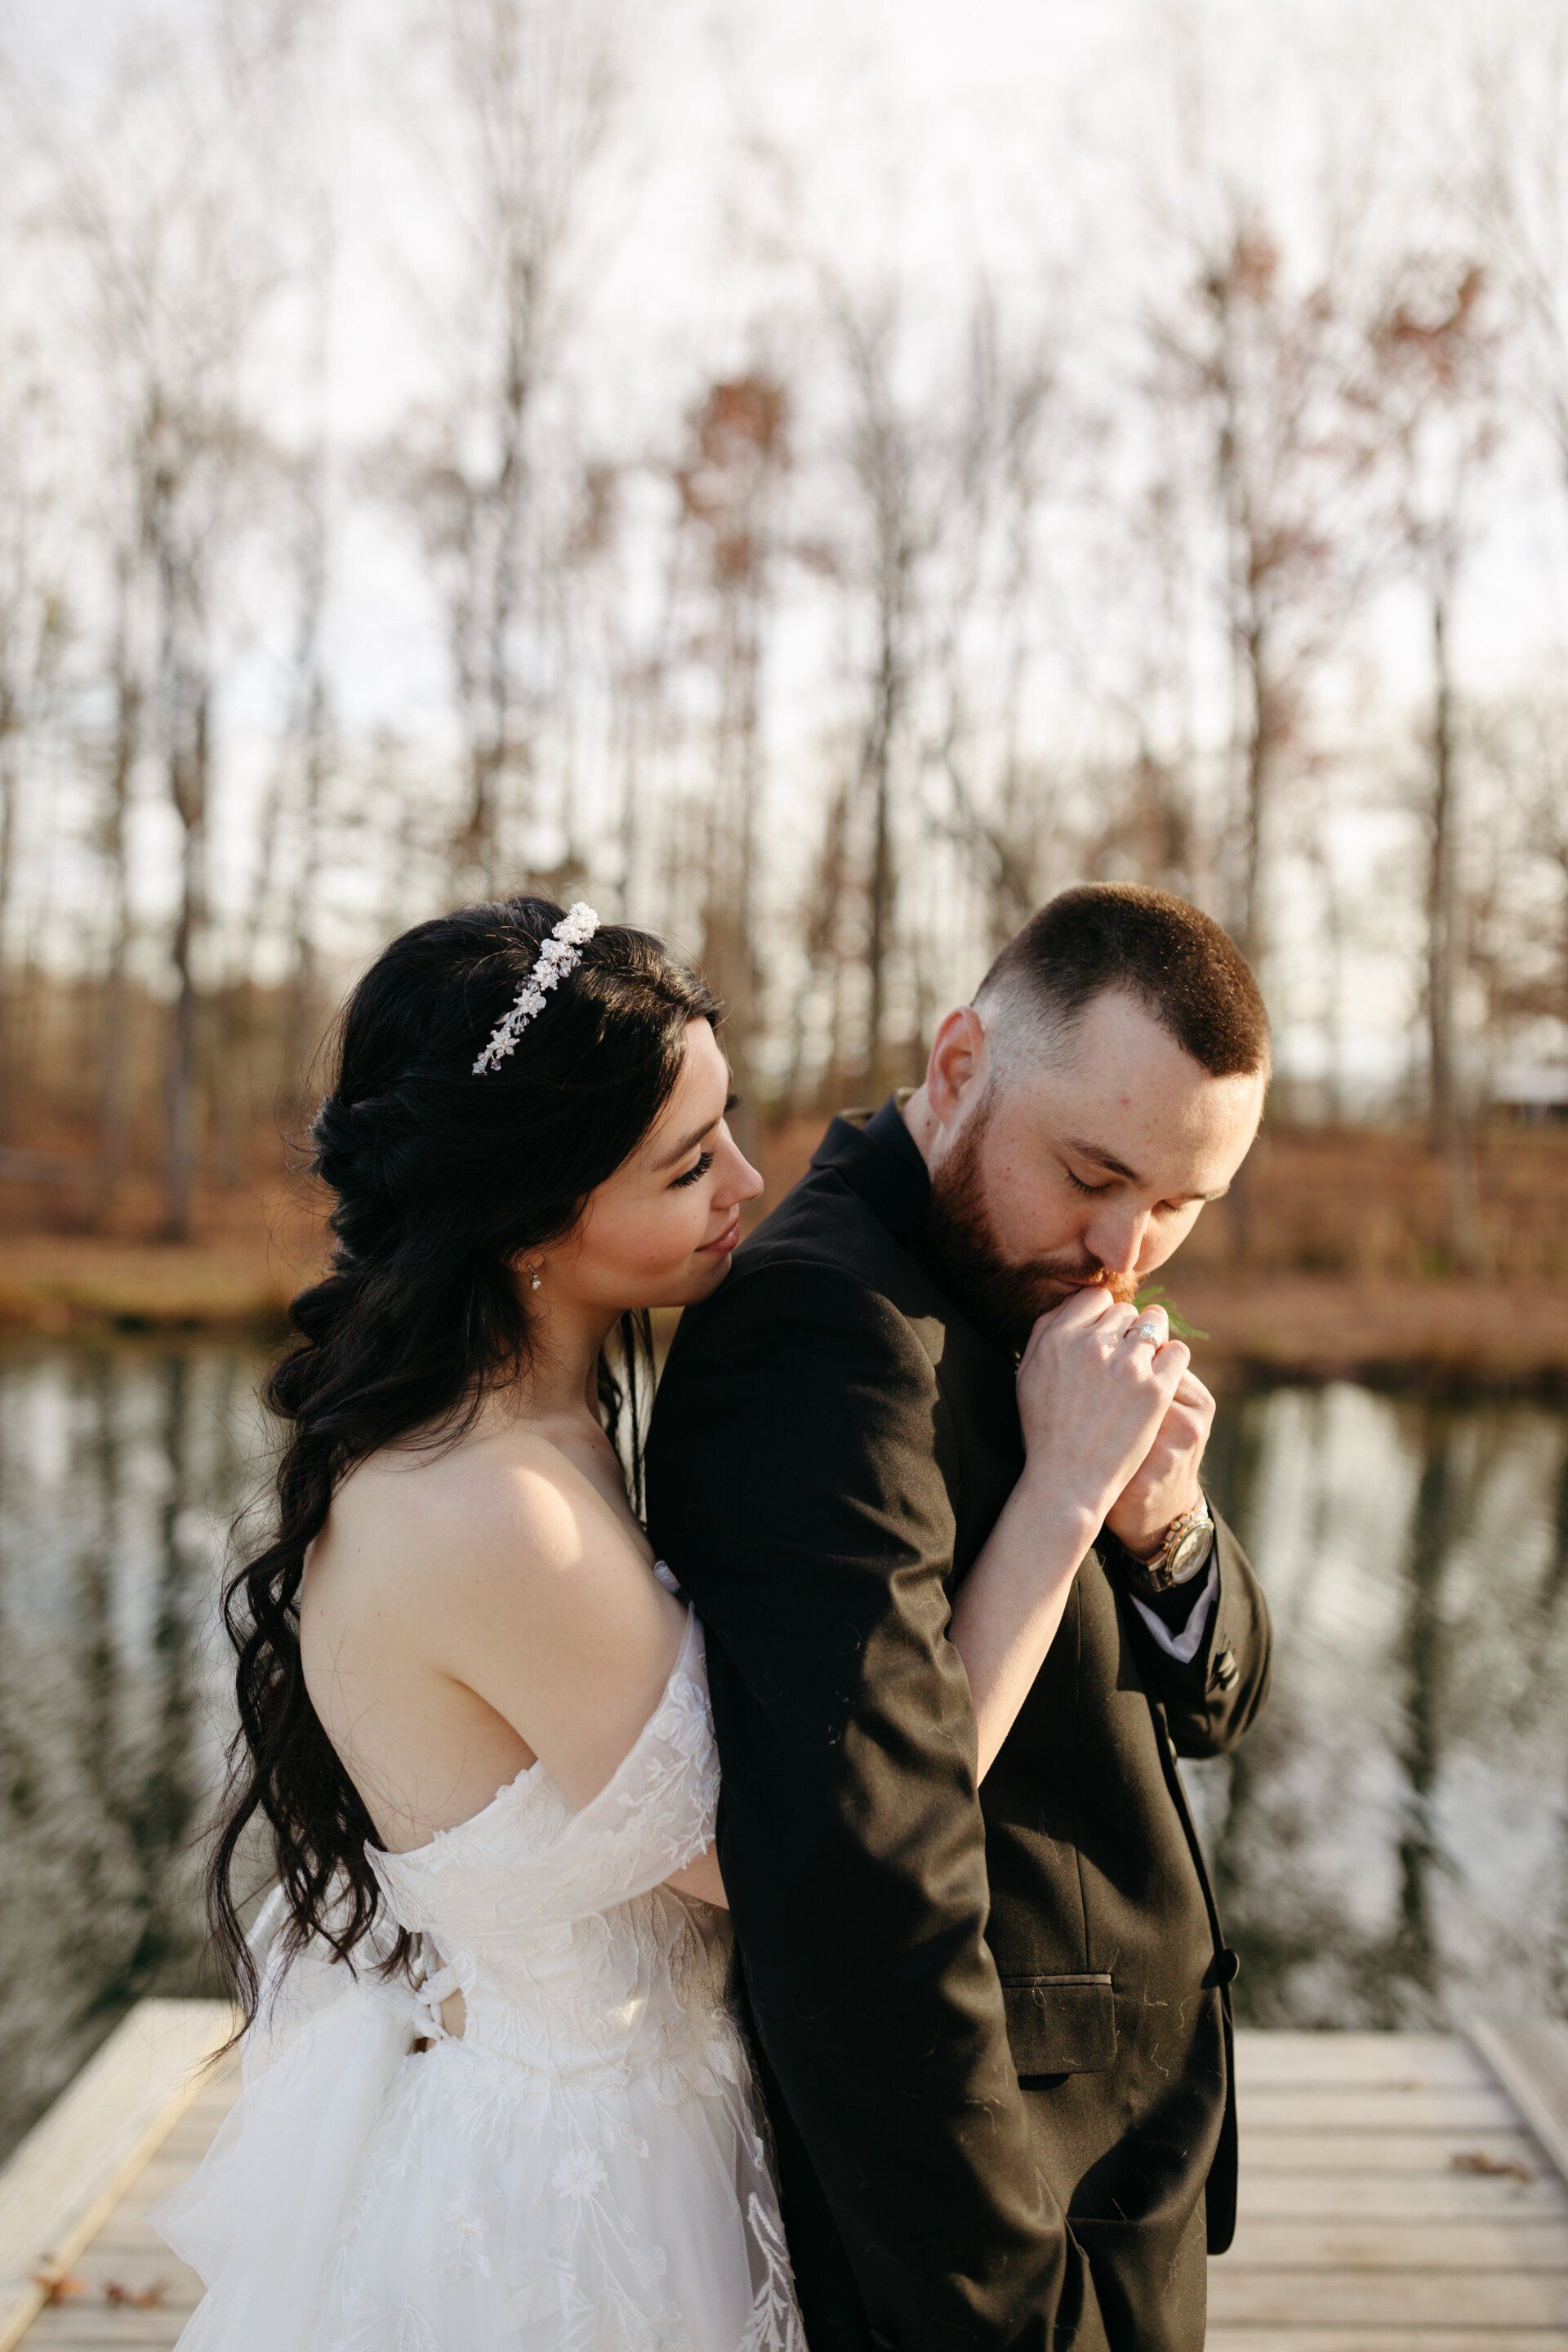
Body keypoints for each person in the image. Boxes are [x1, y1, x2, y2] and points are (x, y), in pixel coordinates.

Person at [154, 893, 1193, 2352]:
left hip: (666, 2120)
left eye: (730, 1127)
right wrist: (1061, 1497)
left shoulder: (547, 1425)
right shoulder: (494, 1510)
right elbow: (830, 1851)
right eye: (689, 1164)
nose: (749, 1183)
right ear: (533, 1213)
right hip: (568, 2210)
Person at [645, 883, 1274, 2352]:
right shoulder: (818, 1337)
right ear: (958, 1065)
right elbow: (866, 1892)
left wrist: (1165, 1525)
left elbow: (1216, 1706)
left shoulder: (1049, 1283)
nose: (1126, 1249)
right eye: (1094, 1172)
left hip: (1135, 2155)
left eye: (1179, 1205)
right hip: (1010, 2215)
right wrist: (1009, 2304)